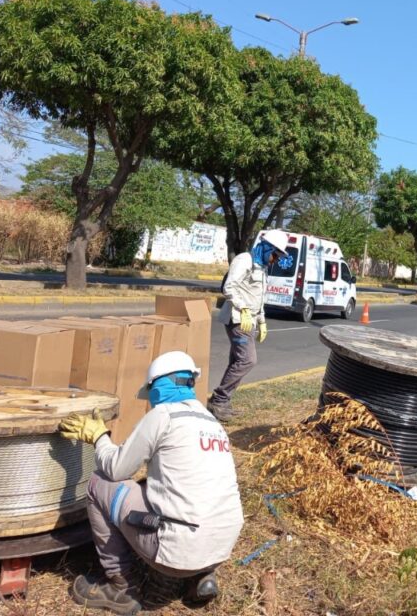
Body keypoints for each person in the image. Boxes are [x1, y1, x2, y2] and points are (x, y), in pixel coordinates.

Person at [59, 351, 244, 615]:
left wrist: (99, 436)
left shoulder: (164, 416)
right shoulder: (212, 423)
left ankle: (120, 587)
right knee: (167, 489)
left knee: (99, 483)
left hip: (178, 550)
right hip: (221, 547)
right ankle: (201, 576)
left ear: (157, 386)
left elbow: (116, 468)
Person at [207, 229, 290, 421]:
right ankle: (219, 400)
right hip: (237, 318)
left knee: (237, 361)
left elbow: (258, 298)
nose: (276, 260)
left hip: (249, 320)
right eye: (276, 255)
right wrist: (243, 309)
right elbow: (229, 287)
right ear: (269, 248)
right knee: (247, 360)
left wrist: (262, 321)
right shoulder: (244, 260)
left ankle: (222, 403)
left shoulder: (261, 268)